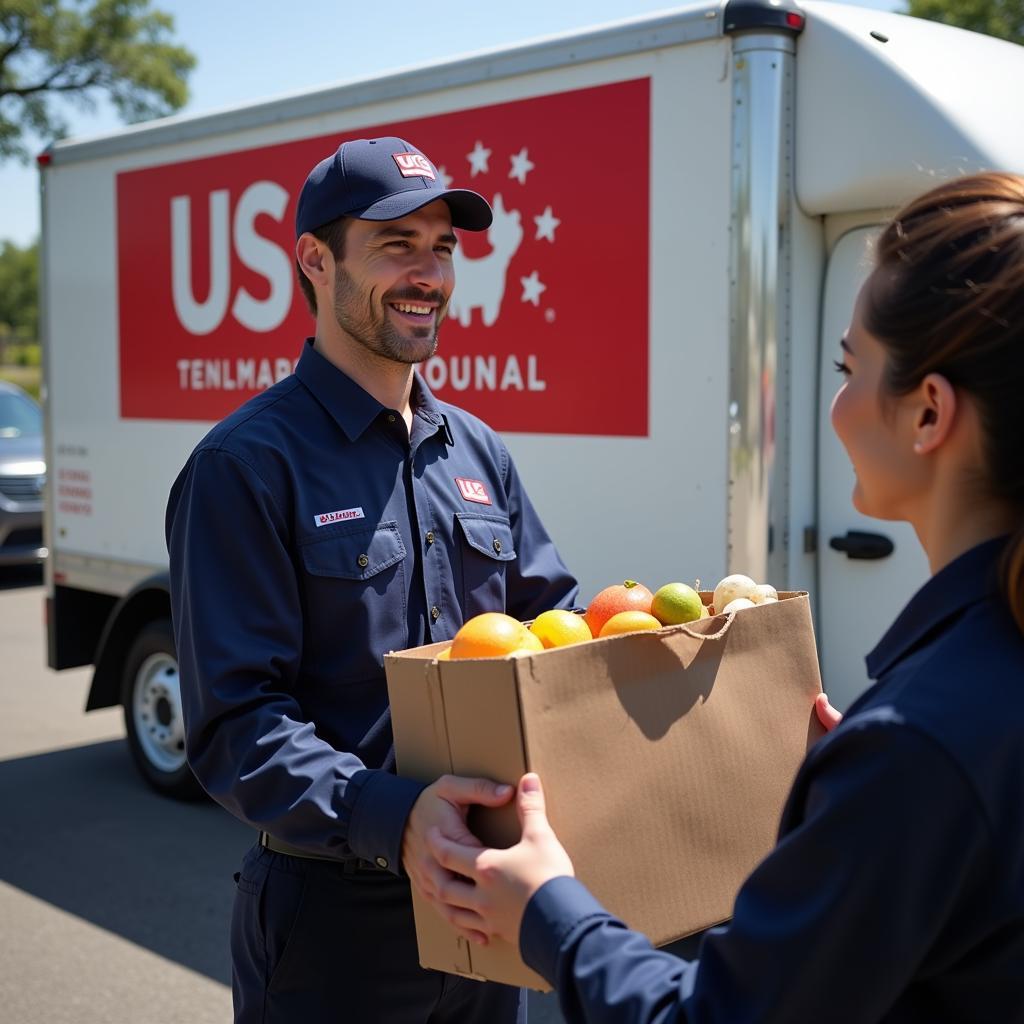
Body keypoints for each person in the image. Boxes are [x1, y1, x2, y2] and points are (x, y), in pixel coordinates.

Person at [424, 171, 1024, 1022]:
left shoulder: (920, 745)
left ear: (928, 413)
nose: (839, 406)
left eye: (849, 367)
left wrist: (545, 909)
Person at [165, 136, 579, 1024]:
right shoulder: (244, 466)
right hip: (334, 923)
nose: (428, 273)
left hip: (485, 901)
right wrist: (391, 814)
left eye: (444, 248)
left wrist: (657, 644)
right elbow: (236, 725)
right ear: (315, 260)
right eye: (397, 245)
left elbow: (550, 627)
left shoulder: (475, 448)